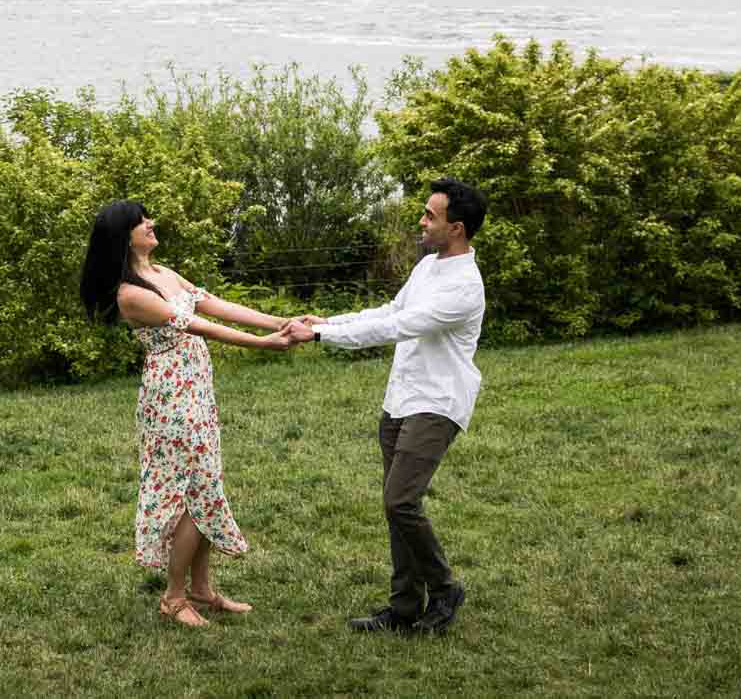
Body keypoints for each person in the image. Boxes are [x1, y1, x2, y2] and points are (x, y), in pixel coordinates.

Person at [79, 199, 298, 628]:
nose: (151, 224)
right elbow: (196, 325)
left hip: (196, 392)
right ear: (124, 235)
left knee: (205, 482)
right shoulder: (131, 293)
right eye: (142, 222)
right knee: (192, 492)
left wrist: (277, 321)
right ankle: (174, 598)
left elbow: (213, 305)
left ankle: (202, 589)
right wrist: (262, 345)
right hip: (171, 400)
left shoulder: (164, 274)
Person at [285, 177, 488, 636]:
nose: (421, 221)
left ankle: (443, 589)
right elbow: (389, 310)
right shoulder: (428, 267)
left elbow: (396, 328)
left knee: (401, 500)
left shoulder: (463, 288)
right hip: (401, 399)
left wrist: (319, 335)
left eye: (430, 216)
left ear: (455, 228)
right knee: (395, 506)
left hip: (435, 405)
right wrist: (330, 320)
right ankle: (403, 607)